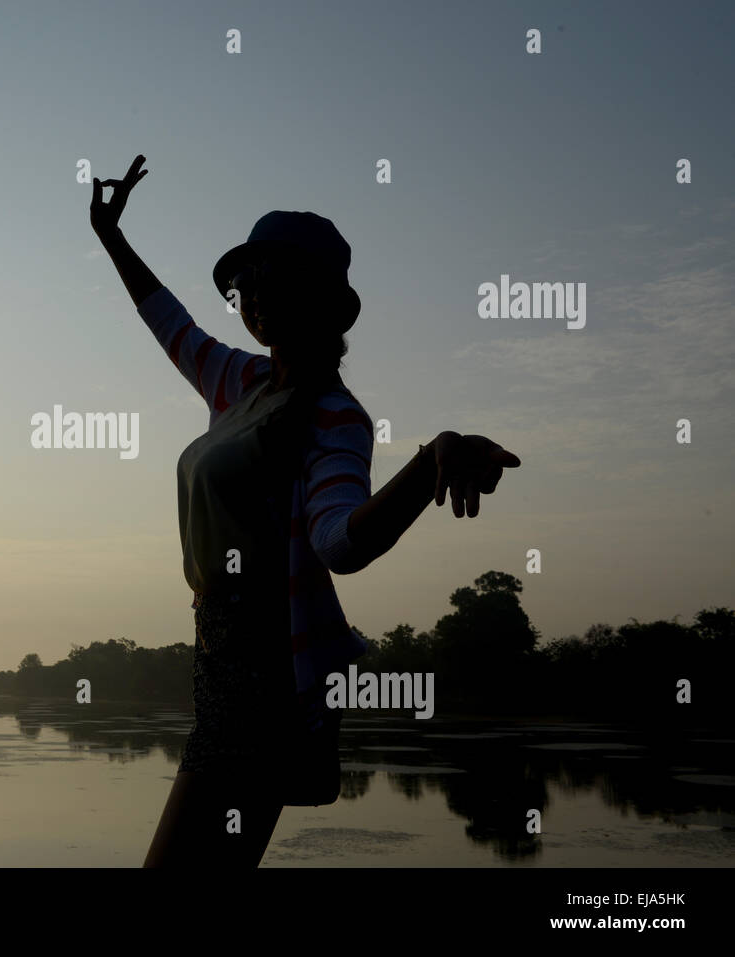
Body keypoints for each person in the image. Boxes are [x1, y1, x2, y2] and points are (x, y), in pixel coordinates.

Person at [89, 155, 522, 868]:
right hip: (216, 662)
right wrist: (111, 236)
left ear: (316, 297)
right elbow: (169, 321)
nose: (248, 295)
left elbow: (341, 542)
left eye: (266, 278)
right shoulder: (242, 381)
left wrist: (428, 460)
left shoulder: (333, 417)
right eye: (241, 283)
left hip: (265, 675)